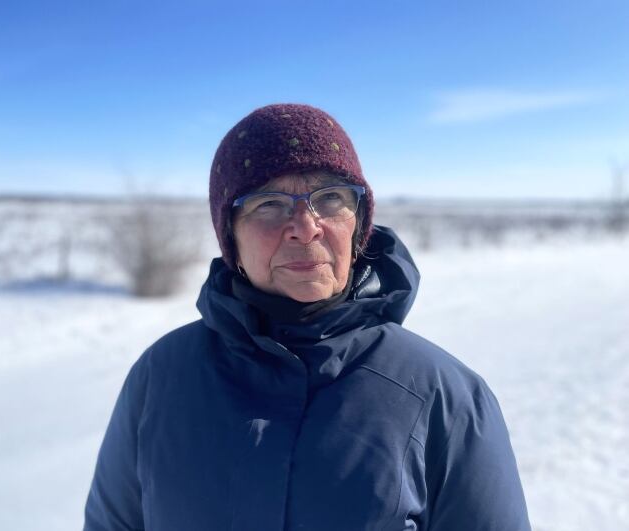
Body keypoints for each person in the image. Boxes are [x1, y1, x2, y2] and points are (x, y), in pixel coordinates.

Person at [84, 104, 531, 530]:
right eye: (268, 204)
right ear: (230, 238)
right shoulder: (161, 376)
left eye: (331, 197)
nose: (305, 225)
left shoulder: (444, 396)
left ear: (358, 226)